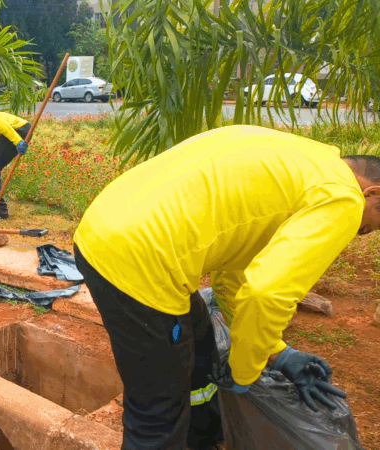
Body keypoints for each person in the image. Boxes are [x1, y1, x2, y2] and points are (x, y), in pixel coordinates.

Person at [73, 125, 376, 450]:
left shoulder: (307, 160)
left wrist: (278, 352)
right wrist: (245, 374)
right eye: (371, 225)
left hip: (103, 228)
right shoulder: (345, 196)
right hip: (142, 259)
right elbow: (265, 293)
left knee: (200, 339)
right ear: (373, 193)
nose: (365, 232)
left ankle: (200, 436)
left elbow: (235, 276)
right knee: (157, 416)